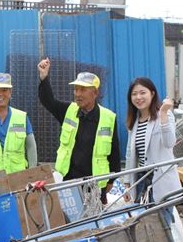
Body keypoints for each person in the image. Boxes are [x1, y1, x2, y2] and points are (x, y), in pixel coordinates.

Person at [37, 58, 120, 204]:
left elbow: (114, 154)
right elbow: (47, 101)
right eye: (76, 89)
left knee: (93, 225)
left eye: (83, 89)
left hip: (94, 185)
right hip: (68, 182)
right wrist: (44, 78)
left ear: (95, 93)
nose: (77, 94)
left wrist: (110, 181)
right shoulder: (69, 110)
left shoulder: (108, 118)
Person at [123, 77, 181, 223]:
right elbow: (130, 154)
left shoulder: (165, 115)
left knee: (163, 227)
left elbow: (169, 143)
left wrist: (162, 113)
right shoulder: (134, 121)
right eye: (134, 94)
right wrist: (127, 182)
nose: (138, 97)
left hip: (161, 180)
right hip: (141, 180)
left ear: (152, 94)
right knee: (144, 225)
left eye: (143, 93)